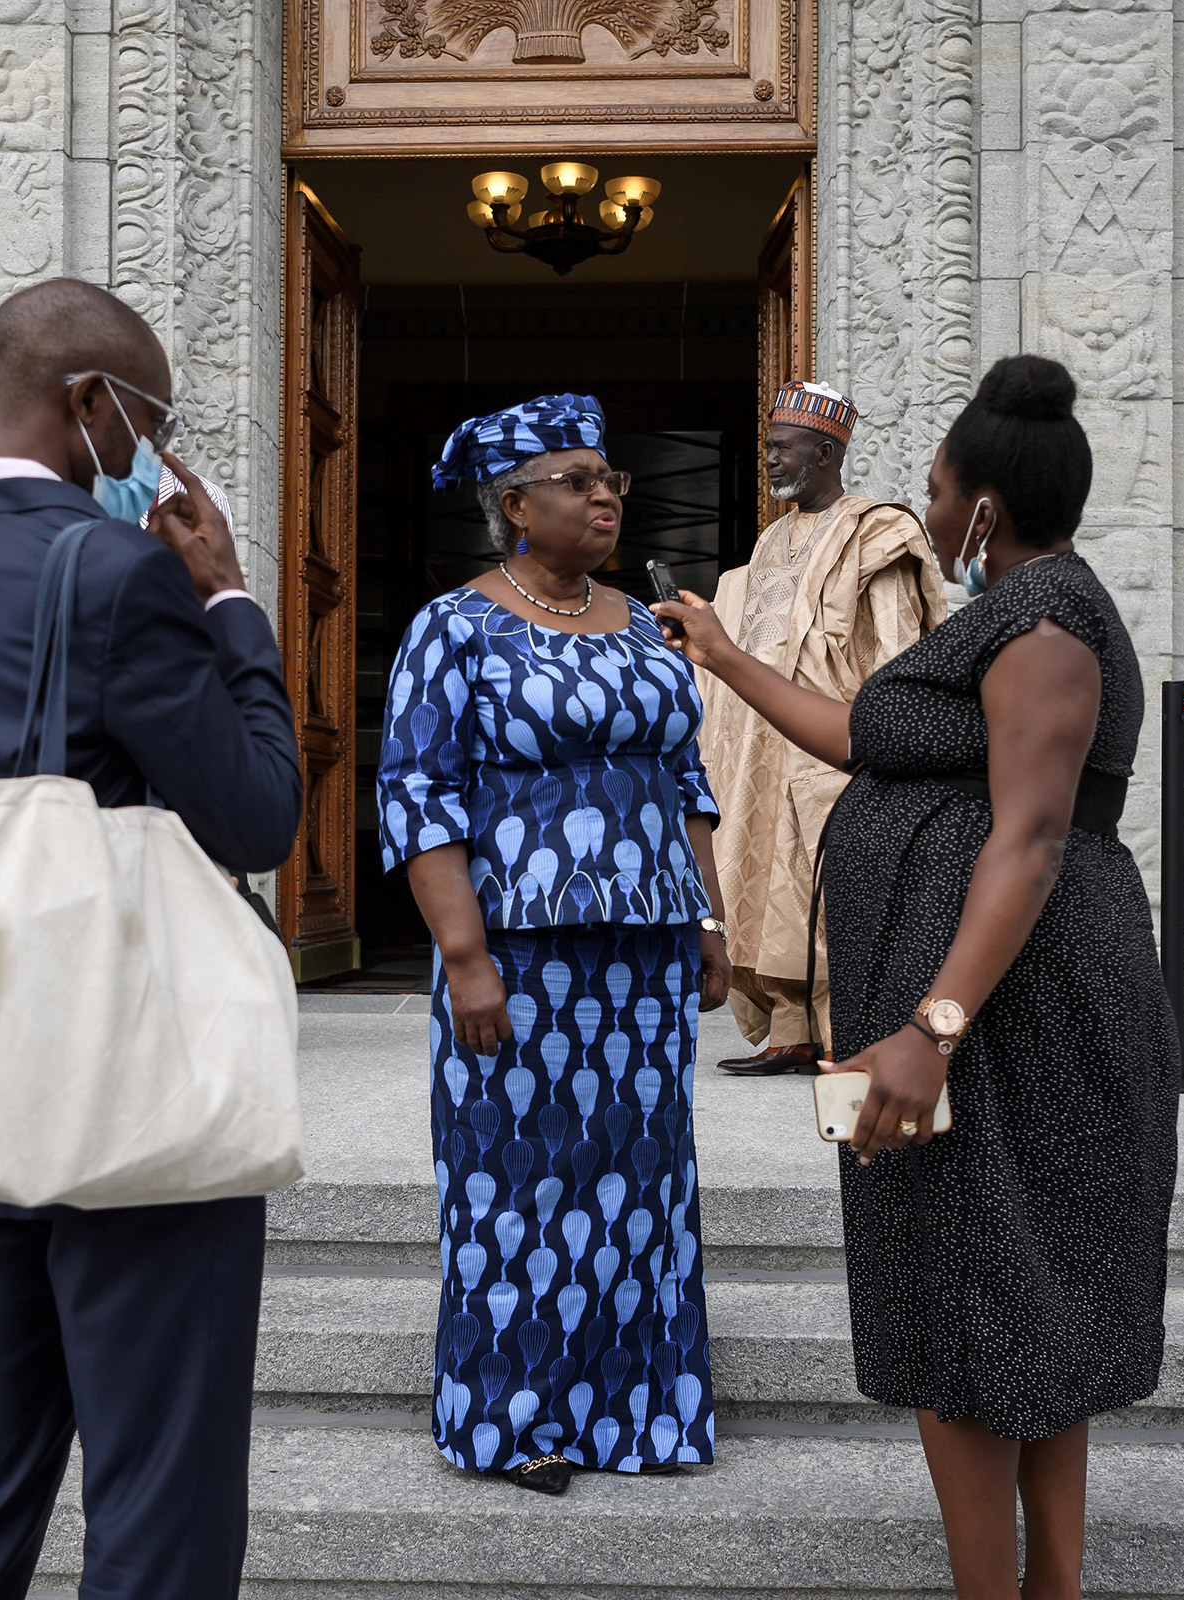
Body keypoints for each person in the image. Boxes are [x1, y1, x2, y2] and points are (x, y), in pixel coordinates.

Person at [659, 356, 1177, 1598]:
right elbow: (861, 735)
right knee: (1014, 1303)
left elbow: (1030, 839)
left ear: (983, 507)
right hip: (981, 1004)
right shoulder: (1008, 613)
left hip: (1011, 1015)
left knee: (972, 1308)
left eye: (938, 491)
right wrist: (724, 657)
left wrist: (931, 1029)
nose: (925, 511)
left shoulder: (1045, 629)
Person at [0, 278, 300, 1598]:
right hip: (139, 1109)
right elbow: (258, 814)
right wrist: (232, 607)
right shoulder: (119, 572)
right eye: (153, 421)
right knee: (160, 1510)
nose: (155, 452)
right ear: (92, 401)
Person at [376, 393, 732, 1498]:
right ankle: (513, 1417)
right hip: (519, 958)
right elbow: (417, 794)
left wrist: (708, 917)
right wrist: (464, 958)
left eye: (609, 476)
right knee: (516, 1179)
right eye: (576, 480)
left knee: (642, 1179)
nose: (604, 494)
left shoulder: (645, 623)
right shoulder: (454, 628)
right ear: (516, 506)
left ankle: (639, 1412)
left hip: (646, 954)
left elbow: (685, 780)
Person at [700, 381, 944, 1075]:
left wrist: (889, 735)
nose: (770, 460)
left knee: (828, 890)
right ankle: (791, 1030)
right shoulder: (771, 538)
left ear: (826, 452)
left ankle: (848, 1031)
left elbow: (898, 646)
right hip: (758, 748)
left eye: (783, 448)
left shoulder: (878, 530)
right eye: (768, 448)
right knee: (763, 885)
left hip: (831, 747)